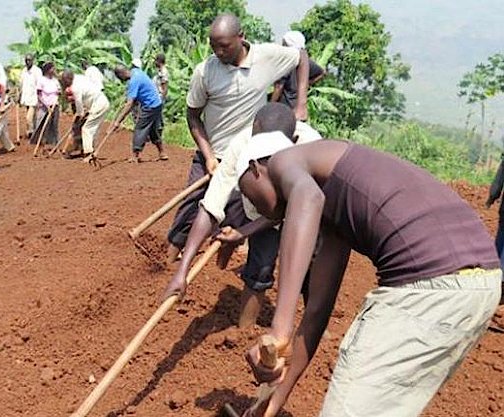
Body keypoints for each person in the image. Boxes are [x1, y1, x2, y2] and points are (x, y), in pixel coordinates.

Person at [214, 131, 502, 417]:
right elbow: (315, 313)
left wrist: (279, 329)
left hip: (429, 286)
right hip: (479, 286)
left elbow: (306, 196)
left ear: (255, 169)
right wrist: (272, 402)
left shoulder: (284, 160)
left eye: (251, 197)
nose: (261, 210)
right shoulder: (335, 208)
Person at [164, 13, 310, 306]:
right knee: (190, 210)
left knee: (242, 214)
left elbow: (301, 56)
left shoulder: (267, 57)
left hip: (248, 156)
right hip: (215, 153)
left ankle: (230, 257)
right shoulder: (205, 71)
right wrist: (207, 156)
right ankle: (167, 269)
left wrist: (301, 101)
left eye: (225, 46)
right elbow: (193, 115)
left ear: (241, 37)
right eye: (213, 46)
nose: (218, 53)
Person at [111, 64, 168, 162]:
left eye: (119, 77)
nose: (121, 79)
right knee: (153, 130)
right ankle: (162, 152)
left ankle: (135, 155)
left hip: (150, 105)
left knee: (139, 128)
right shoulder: (136, 71)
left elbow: (130, 104)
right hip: (157, 103)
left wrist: (118, 122)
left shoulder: (134, 81)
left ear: (121, 74)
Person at [60, 69, 110, 160]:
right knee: (92, 129)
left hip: (98, 105)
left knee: (86, 129)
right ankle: (90, 150)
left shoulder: (75, 88)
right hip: (99, 103)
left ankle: (88, 154)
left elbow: (79, 111)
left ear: (67, 79)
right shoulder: (80, 77)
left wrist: (78, 117)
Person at [271, 30, 326, 110]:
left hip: (284, 107)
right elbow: (322, 72)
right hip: (299, 106)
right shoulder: (305, 61)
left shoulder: (286, 61)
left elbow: (279, 87)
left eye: (284, 43)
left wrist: (270, 106)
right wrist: (305, 85)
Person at [34, 61, 61, 147]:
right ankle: (44, 142)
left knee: (55, 125)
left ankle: (56, 143)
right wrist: (45, 105)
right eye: (52, 68)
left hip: (55, 105)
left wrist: (59, 92)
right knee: (45, 125)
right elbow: (38, 94)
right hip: (45, 107)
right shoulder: (41, 80)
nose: (54, 70)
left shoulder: (55, 81)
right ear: (48, 70)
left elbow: (59, 91)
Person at [19, 53, 41, 141]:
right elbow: (21, 84)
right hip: (26, 97)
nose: (28, 62)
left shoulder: (37, 71)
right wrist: (19, 95)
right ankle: (34, 132)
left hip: (33, 98)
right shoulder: (24, 71)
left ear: (32, 61)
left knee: (29, 118)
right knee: (32, 117)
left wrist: (40, 98)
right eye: (26, 60)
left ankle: (31, 132)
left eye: (29, 60)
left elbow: (39, 85)